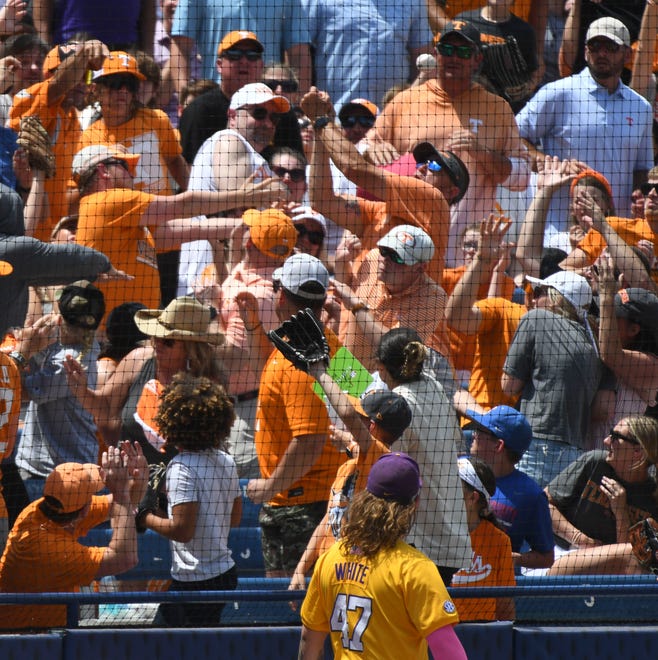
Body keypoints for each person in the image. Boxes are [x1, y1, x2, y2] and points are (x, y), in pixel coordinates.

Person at [71, 142, 287, 322]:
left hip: (129, 329)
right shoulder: (105, 200)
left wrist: (259, 223)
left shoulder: (124, 220)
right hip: (108, 332)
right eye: (124, 166)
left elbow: (196, 228)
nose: (133, 173)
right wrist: (245, 197)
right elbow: (184, 204)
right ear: (103, 171)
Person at [372, 21, 530, 264]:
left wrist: (482, 154)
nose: (453, 57)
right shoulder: (405, 101)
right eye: (446, 49)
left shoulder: (497, 108)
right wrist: (374, 149)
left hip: (466, 253)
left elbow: (522, 178)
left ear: (477, 59)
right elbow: (364, 147)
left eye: (463, 52)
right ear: (436, 54)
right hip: (407, 245)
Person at [298, 452, 467, 660]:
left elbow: (309, 643)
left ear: (366, 497)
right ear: (414, 503)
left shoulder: (330, 558)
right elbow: (450, 654)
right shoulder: (414, 568)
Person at [302, 85, 469, 284]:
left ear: (451, 191)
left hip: (401, 315)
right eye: (423, 161)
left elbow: (353, 168)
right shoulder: (380, 211)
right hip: (359, 313)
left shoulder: (433, 205)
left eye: (434, 165)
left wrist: (323, 121)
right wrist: (320, 131)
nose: (423, 167)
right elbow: (322, 201)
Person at [246, 253, 345, 578]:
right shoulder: (332, 344)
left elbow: (310, 441)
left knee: (298, 612)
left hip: (299, 507)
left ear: (282, 295)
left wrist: (268, 488)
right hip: (325, 499)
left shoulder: (297, 360)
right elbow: (357, 405)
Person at [516, 17, 653, 242]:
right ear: (586, 51)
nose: (602, 53)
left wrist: (640, 195)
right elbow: (513, 138)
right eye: (594, 46)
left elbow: (642, 169)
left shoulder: (640, 107)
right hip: (560, 232)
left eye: (610, 47)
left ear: (628, 55)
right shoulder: (557, 93)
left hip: (615, 235)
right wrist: (547, 163)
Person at [0, 442, 148, 631]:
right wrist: (121, 492)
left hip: (45, 631)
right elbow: (125, 558)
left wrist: (139, 481)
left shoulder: (42, 510)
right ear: (84, 510)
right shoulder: (51, 551)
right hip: (21, 639)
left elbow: (120, 504)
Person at [64, 296, 225, 465]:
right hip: (130, 480)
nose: (157, 344)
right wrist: (82, 390)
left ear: (190, 347)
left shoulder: (208, 380)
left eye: (167, 341)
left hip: (182, 479)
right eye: (156, 336)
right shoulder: (137, 360)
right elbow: (104, 406)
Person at [289, 380, 413, 595]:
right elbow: (328, 519)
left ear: (371, 426)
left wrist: (319, 372)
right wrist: (301, 568)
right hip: (328, 572)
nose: (352, 422)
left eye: (360, 419)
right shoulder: (346, 468)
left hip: (359, 577)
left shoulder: (382, 461)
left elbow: (346, 414)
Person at [138, 373, 242, 627]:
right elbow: (235, 519)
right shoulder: (226, 459)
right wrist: (163, 506)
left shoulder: (181, 467)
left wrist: (143, 515)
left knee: (162, 644)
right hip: (223, 575)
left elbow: (182, 531)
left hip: (197, 581)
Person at [501, 270, 616, 486]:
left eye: (539, 292)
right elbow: (603, 409)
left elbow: (508, 385)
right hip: (575, 455)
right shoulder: (601, 341)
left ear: (556, 298)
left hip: (534, 445)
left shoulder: (536, 318)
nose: (533, 299)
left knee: (517, 516)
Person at [375, 327, 472, 583]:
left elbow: (389, 470)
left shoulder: (398, 403)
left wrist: (327, 368)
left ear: (383, 367)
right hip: (449, 535)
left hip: (420, 542)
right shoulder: (435, 387)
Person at [8, 38, 108, 242]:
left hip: (52, 235)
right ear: (53, 74)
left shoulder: (74, 120)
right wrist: (83, 52)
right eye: (77, 72)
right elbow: (56, 87)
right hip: (20, 230)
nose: (82, 83)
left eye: (86, 75)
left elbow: (66, 191)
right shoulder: (34, 97)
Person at [15, 281, 106, 502]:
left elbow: (18, 391)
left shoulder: (70, 362)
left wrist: (23, 352)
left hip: (53, 473)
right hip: (67, 466)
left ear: (61, 317)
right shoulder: (85, 343)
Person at [0, 183, 120, 336]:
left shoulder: (23, 263)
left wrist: (91, 275)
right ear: (52, 239)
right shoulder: (18, 257)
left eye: (79, 229)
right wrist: (105, 265)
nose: (74, 234)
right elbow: (71, 257)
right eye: (69, 228)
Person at [331, 224, 451, 372]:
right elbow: (351, 290)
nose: (386, 259)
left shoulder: (433, 298)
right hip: (345, 366)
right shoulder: (374, 258)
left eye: (397, 257)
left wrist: (358, 308)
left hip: (383, 384)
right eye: (385, 250)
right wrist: (341, 263)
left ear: (420, 268)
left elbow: (393, 348)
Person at [177, 30, 303, 165]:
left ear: (261, 66)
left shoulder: (280, 111)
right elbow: (187, 169)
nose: (244, 61)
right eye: (234, 55)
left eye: (252, 56)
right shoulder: (199, 110)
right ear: (219, 65)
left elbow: (296, 168)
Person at [546, 416, 658, 564]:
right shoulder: (595, 463)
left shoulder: (652, 496)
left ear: (637, 451)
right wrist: (578, 539)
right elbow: (545, 503)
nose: (606, 441)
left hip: (611, 571)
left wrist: (621, 512)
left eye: (615, 437)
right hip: (562, 554)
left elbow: (630, 560)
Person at [300, 0, 433, 113]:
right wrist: (303, 112)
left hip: (391, 122)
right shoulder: (318, 1)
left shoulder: (412, 2)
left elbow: (423, 60)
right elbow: (298, 52)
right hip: (335, 119)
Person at [466, 405, 555, 571]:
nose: (473, 434)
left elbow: (546, 557)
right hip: (452, 580)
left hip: (496, 588)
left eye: (480, 430)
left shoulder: (530, 494)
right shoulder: (459, 470)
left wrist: (513, 557)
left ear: (498, 445)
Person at [169, 0, 311, 97]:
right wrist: (186, 99)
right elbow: (180, 47)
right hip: (214, 99)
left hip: (267, 103)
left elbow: (298, 53)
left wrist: (299, 106)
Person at [451, 456, 516, 621]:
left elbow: (505, 603)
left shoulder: (499, 541)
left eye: (453, 486)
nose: (446, 490)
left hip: (482, 634)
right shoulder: (433, 534)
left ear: (473, 498)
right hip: (444, 632)